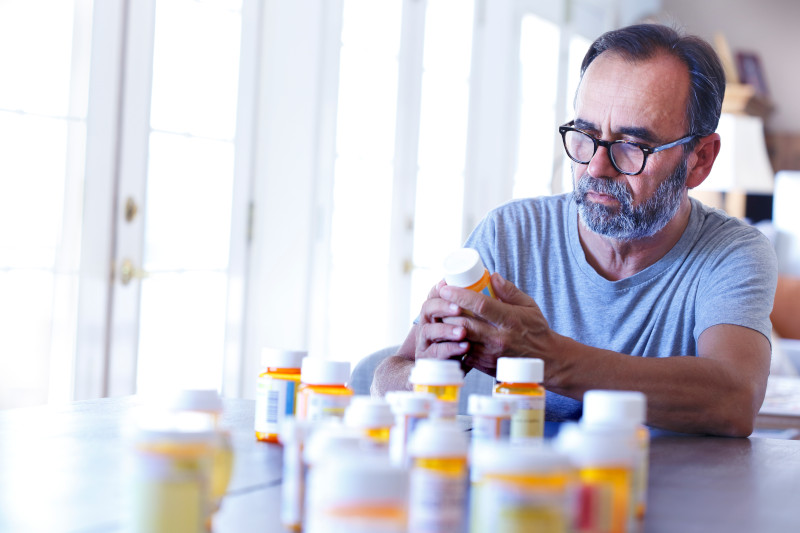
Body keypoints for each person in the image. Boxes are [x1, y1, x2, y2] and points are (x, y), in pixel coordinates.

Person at [371, 23, 777, 437]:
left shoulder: (732, 252)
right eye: (585, 135)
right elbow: (388, 375)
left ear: (700, 159)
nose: (596, 168)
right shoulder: (511, 234)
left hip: (653, 494)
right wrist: (427, 375)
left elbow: (735, 398)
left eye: (632, 146)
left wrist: (548, 358)